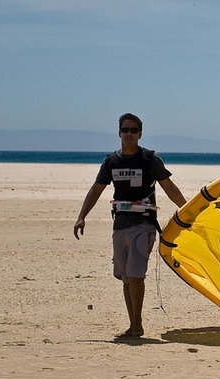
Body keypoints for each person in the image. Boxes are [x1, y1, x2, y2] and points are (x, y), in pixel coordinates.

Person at [74, 113, 187, 338]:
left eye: (133, 130)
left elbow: (168, 186)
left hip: (144, 225)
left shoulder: (150, 159)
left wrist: (187, 210)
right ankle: (133, 324)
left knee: (136, 274)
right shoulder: (111, 161)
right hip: (120, 226)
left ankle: (137, 325)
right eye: (125, 130)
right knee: (126, 277)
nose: (129, 134)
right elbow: (96, 190)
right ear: (119, 133)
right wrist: (81, 216)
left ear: (140, 134)